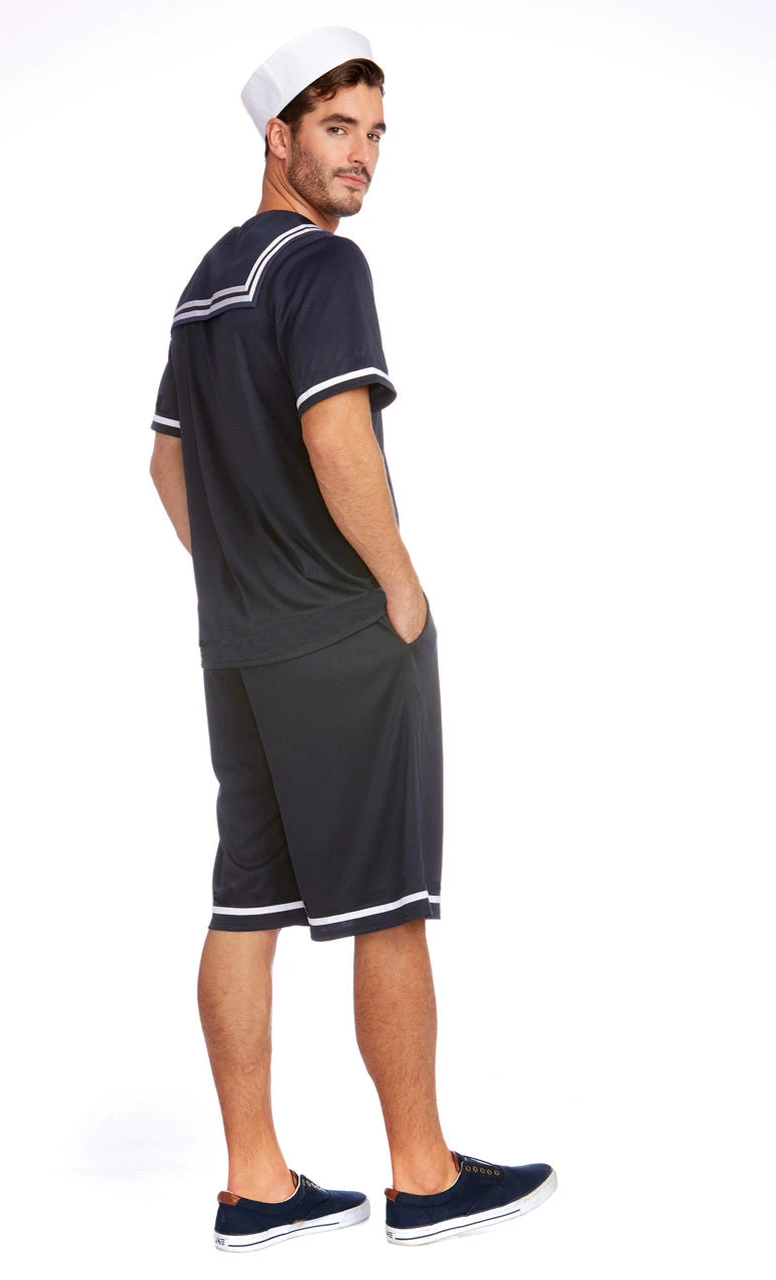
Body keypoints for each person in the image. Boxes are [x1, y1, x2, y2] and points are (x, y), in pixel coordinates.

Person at [148, 24, 557, 1252]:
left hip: (240, 645)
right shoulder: (322, 267)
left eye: (375, 134)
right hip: (338, 637)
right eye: (336, 129)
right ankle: (422, 1173)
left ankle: (254, 1182)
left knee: (245, 903)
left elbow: (165, 463)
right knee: (388, 904)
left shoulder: (205, 283)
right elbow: (336, 435)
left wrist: (243, 579)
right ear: (277, 136)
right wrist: (399, 587)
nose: (361, 156)